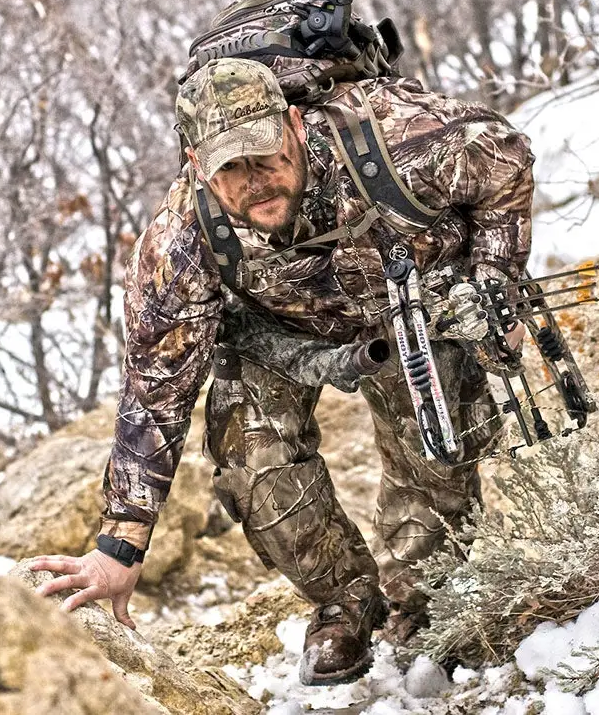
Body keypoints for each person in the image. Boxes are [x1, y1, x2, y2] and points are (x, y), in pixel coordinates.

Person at [30, 56, 533, 685]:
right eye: (230, 169)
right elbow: (155, 391)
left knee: (433, 449)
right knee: (254, 462)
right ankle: (345, 603)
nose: (256, 180)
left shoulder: (402, 141)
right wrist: (120, 546)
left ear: (295, 123)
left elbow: (506, 157)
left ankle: (425, 599)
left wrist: (496, 279)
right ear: (197, 169)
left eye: (266, 154)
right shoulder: (180, 244)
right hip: (278, 340)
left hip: (409, 312)